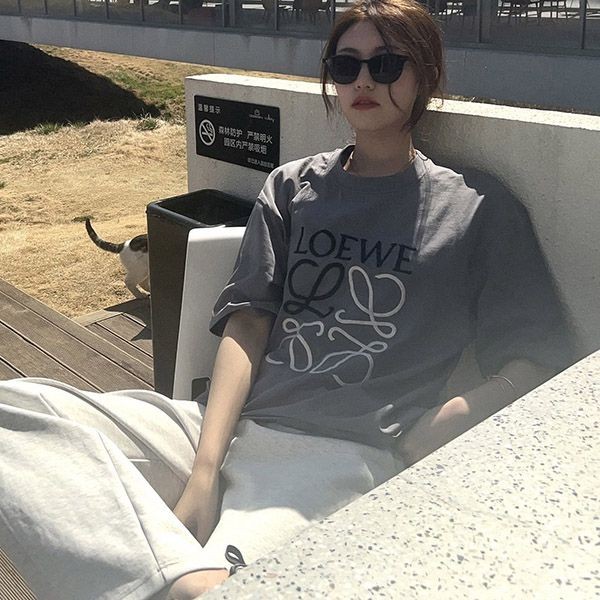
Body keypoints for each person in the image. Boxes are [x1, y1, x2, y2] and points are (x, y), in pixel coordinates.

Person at [0, 0, 574, 598]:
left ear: (425, 75)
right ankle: (180, 575)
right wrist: (205, 468)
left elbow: (539, 357)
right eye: (346, 65)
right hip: (224, 426)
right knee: (17, 414)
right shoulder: (292, 187)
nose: (362, 81)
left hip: (340, 453)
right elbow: (248, 325)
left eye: (385, 64)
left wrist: (442, 422)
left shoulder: (475, 207)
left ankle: (183, 575)